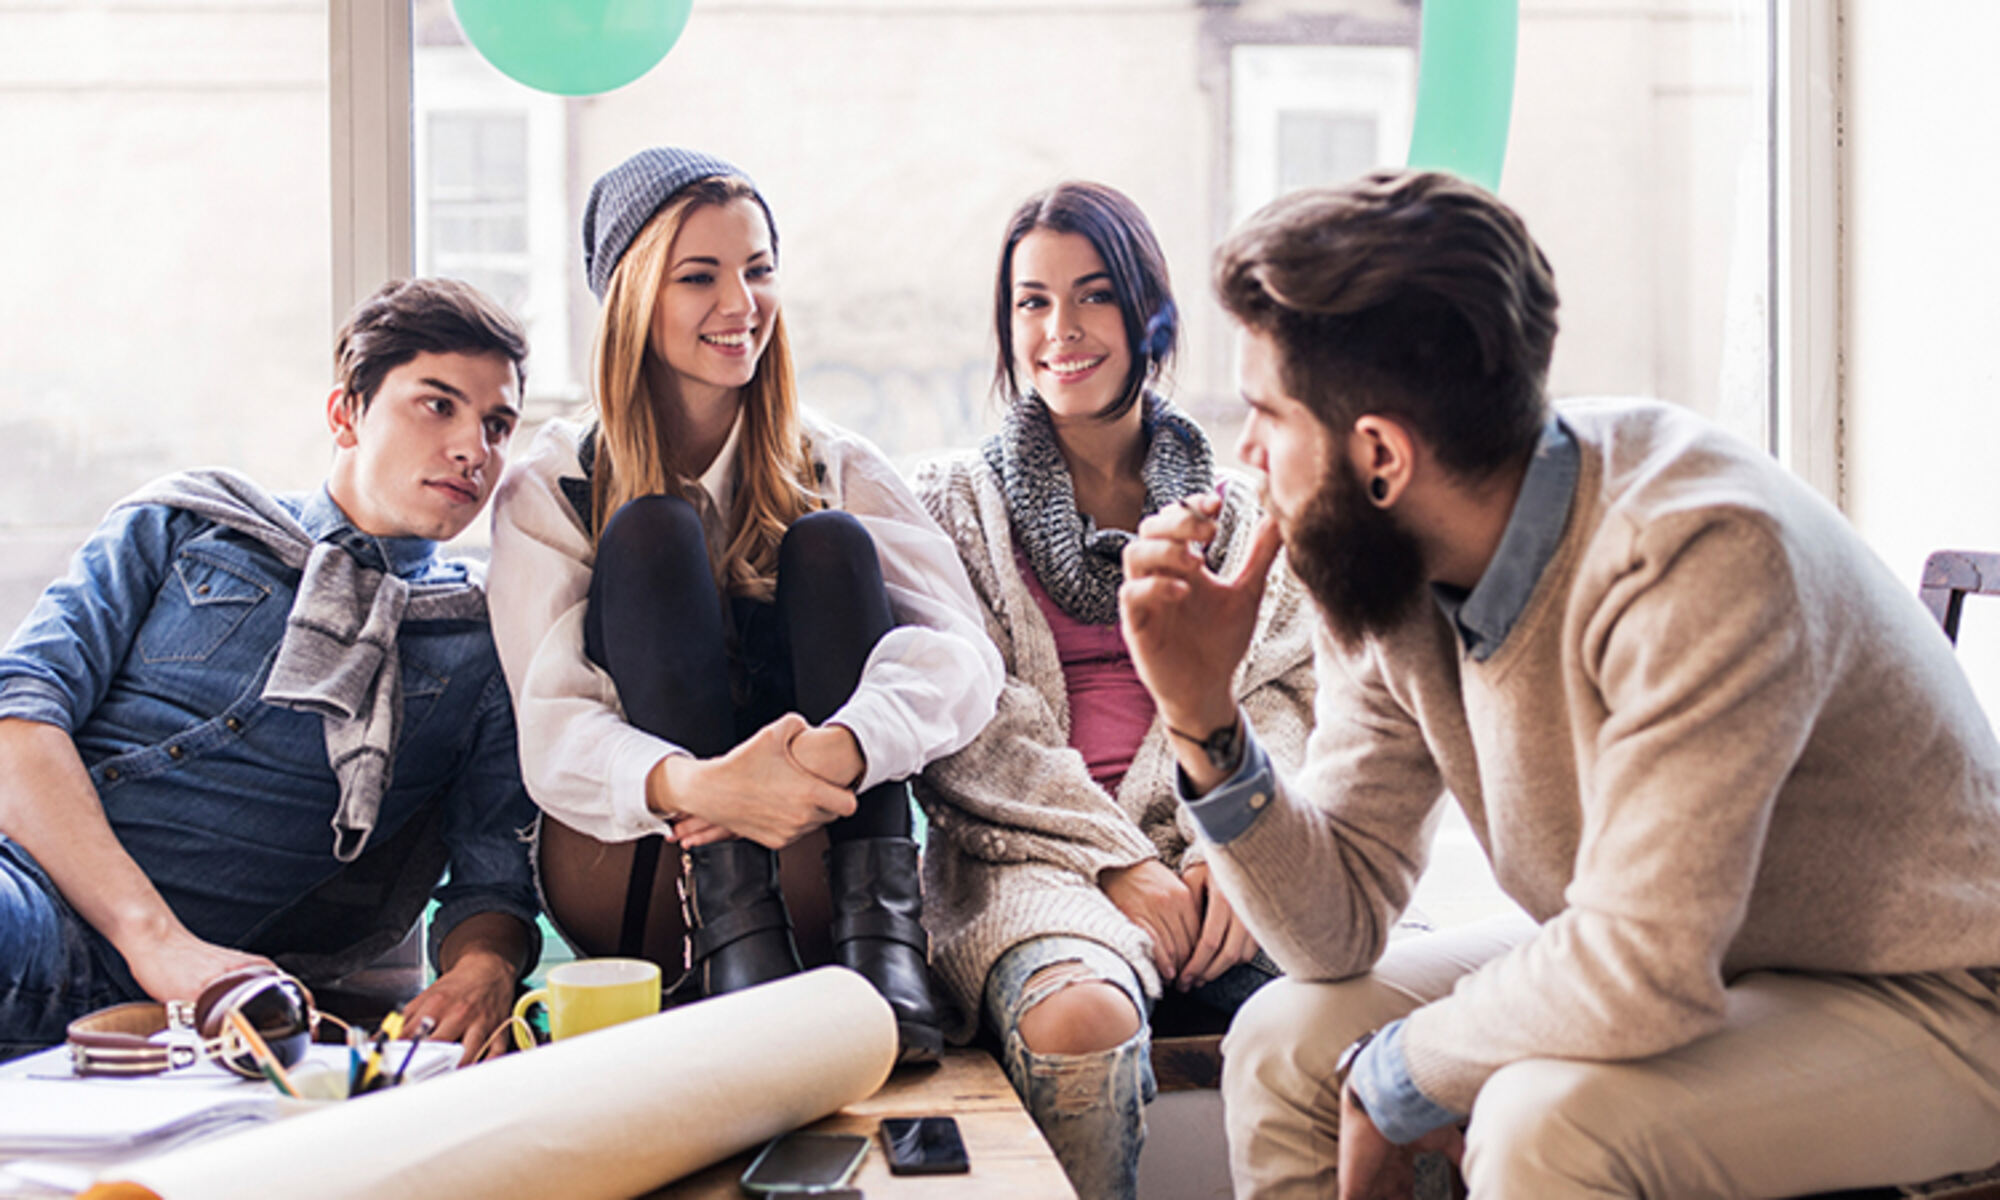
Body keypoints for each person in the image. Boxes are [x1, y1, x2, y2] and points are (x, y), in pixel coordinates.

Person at [1119, 168, 2000, 1199]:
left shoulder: (1696, 551)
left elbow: (1640, 967)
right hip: (1703, 957)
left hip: (1931, 997)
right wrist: (1200, 717)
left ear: (1379, 456)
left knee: (1547, 1127)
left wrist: (1398, 1073)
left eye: (1266, 415)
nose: (1245, 454)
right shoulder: (1382, 557)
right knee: (1284, 1033)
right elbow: (1334, 929)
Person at [487, 147, 1002, 1063]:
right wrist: (705, 787)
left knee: (832, 542)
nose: (742, 304)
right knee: (649, 532)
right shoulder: (552, 483)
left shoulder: (833, 462)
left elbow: (962, 657)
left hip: (823, 847)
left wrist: (842, 746)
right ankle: (737, 947)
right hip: (641, 873)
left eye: (759, 270)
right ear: (636, 299)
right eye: (700, 277)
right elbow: (554, 729)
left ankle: (882, 943)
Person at [0, 277, 542, 1062]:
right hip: (35, 887)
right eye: (438, 405)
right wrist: (154, 940)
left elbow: (493, 879)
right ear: (345, 413)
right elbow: (19, 711)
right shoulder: (187, 522)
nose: (474, 450)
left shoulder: (482, 643)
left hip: (179, 991)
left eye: (498, 425)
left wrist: (487, 966)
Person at [911, 181, 1315, 1200]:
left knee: (1385, 1025)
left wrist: (1242, 846)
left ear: (1148, 313)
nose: (1061, 329)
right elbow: (966, 730)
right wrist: (1118, 861)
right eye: (1031, 302)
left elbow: (1284, 693)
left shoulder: (1244, 512)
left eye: (1092, 295)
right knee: (1080, 1017)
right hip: (1036, 864)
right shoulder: (949, 506)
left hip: (1215, 863)